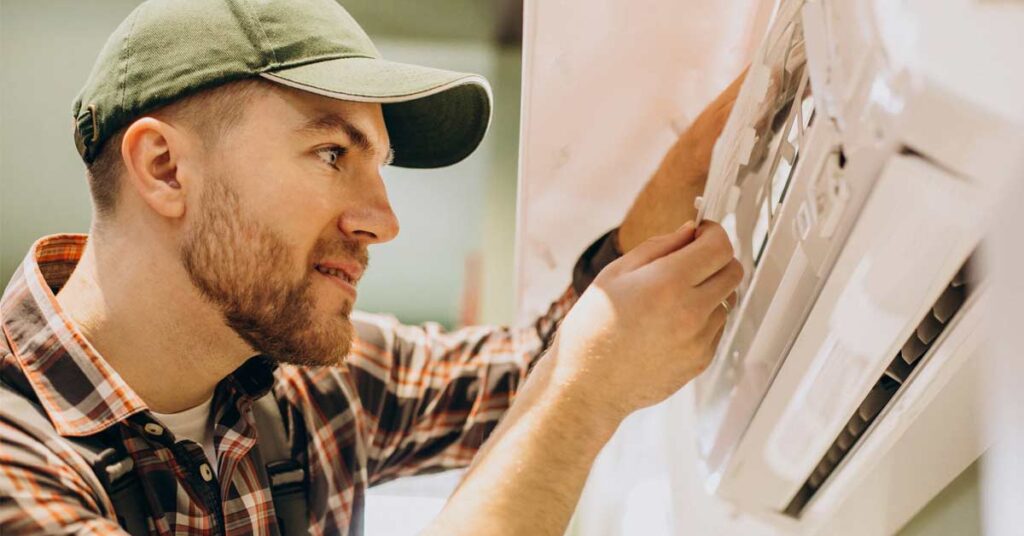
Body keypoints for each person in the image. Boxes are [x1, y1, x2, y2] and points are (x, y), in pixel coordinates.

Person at [0, 0, 743, 534]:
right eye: (332, 153)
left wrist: (699, 167)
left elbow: (542, 361)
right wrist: (583, 404)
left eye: (379, 167)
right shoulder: (16, 462)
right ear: (165, 169)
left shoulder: (306, 382)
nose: (383, 222)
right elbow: (569, 381)